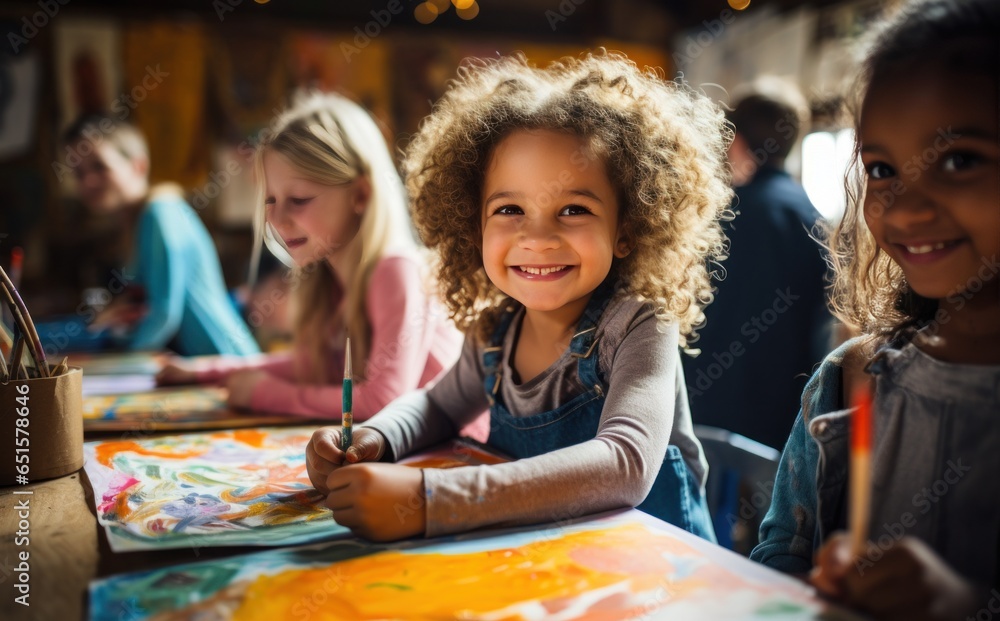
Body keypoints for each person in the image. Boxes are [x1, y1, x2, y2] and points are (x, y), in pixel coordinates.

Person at [305, 52, 733, 543]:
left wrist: (432, 498)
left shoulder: (637, 325)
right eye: (510, 208)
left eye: (574, 209)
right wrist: (374, 438)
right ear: (474, 224)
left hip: (660, 570)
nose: (538, 237)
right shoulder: (494, 329)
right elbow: (437, 406)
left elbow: (624, 463)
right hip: (550, 559)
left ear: (627, 228)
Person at [751, 1, 1000, 618]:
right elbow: (781, 550)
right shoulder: (848, 380)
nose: (908, 209)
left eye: (960, 159)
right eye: (883, 170)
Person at [157, 93, 464, 421]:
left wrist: (264, 393)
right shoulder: (327, 279)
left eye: (299, 200)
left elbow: (383, 401)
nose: (275, 220)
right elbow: (310, 365)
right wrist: (205, 370)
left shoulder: (396, 270)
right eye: (270, 200)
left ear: (360, 194)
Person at [683, 78, 831, 450]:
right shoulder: (815, 222)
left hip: (701, 408)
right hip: (783, 422)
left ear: (735, 141)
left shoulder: (709, 217)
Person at [64, 115, 259, 356]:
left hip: (224, 360)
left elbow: (164, 313)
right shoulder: (136, 224)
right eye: (78, 173)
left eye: (99, 166)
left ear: (139, 166)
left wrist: (123, 358)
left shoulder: (161, 211)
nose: (88, 181)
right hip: (198, 363)